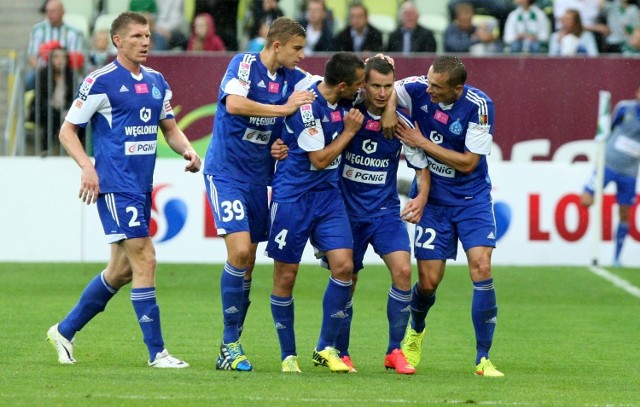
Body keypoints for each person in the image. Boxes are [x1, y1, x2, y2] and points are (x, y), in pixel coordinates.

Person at [47, 11, 201, 368]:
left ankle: (65, 330)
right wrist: (88, 166)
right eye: (136, 36)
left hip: (141, 186)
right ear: (117, 40)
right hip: (116, 185)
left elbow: (170, 128)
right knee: (145, 257)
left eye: (147, 35)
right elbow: (67, 130)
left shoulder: (158, 81)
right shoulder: (101, 81)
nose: (145, 42)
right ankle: (157, 352)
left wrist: (188, 150)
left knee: (120, 271)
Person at [202, 16, 317, 372]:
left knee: (248, 262)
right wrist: (283, 109)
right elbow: (234, 105)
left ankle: (229, 345)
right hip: (226, 172)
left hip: (259, 178)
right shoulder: (244, 64)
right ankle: (231, 342)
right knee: (238, 253)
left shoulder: (294, 78)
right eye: (297, 48)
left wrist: (279, 142)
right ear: (277, 45)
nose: (302, 55)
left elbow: (329, 88)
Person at [393, 55, 504, 377]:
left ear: (457, 88)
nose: (429, 91)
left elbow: (469, 163)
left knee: (481, 267)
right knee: (428, 282)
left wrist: (421, 142)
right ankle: (416, 329)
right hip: (434, 202)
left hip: (472, 199)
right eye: (429, 82)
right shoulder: (415, 89)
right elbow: (379, 94)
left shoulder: (479, 106)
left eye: (438, 87)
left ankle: (483, 358)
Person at [327, 57, 430, 375]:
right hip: (346, 212)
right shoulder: (347, 114)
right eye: (376, 86)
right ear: (363, 85)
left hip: (385, 212)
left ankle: (394, 351)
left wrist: (422, 195)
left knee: (402, 271)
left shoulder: (399, 123)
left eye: (388, 86)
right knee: (349, 280)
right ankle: (341, 352)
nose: (383, 93)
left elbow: (421, 167)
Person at [265, 51, 365, 373]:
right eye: (359, 85)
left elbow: (388, 94)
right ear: (342, 85)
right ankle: (288, 354)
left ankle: (324, 347)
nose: (362, 91)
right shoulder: (307, 107)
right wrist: (349, 132)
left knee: (344, 267)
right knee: (286, 276)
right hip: (293, 197)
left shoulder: (347, 101)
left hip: (328, 197)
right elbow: (319, 160)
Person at [581, 85, 640, 267]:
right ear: (637, 92)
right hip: (608, 164)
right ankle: (590, 246)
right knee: (586, 200)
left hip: (629, 172)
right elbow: (610, 128)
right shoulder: (624, 108)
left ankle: (616, 258)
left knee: (624, 214)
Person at [28, 45, 82, 155]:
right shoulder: (43, 74)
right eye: (56, 57)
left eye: (63, 57)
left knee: (80, 120)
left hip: (65, 111)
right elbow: (41, 99)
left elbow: (74, 98)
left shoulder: (71, 76)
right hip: (42, 111)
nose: (60, 60)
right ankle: (45, 150)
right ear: (51, 59)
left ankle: (80, 151)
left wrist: (67, 110)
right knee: (52, 117)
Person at [26, 0, 84, 90]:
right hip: (42, 69)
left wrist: (62, 68)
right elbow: (32, 55)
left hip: (67, 70)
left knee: (83, 85)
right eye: (47, 11)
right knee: (27, 81)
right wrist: (42, 71)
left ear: (62, 12)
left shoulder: (74, 32)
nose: (49, 14)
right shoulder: (37, 30)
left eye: (53, 11)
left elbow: (76, 58)